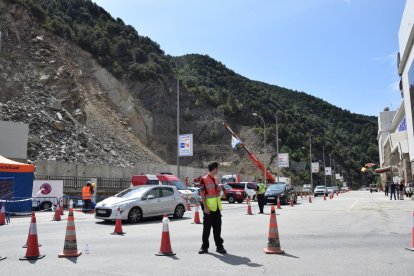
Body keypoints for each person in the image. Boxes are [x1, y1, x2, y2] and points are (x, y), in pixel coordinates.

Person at [198, 162, 226, 255]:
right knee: (207, 228)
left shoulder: (216, 179)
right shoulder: (203, 179)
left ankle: (219, 246)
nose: (218, 170)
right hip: (208, 208)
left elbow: (217, 192)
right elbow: (202, 194)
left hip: (216, 208)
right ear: (214, 169)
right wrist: (205, 207)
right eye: (218, 168)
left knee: (217, 228)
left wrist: (219, 190)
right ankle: (204, 247)